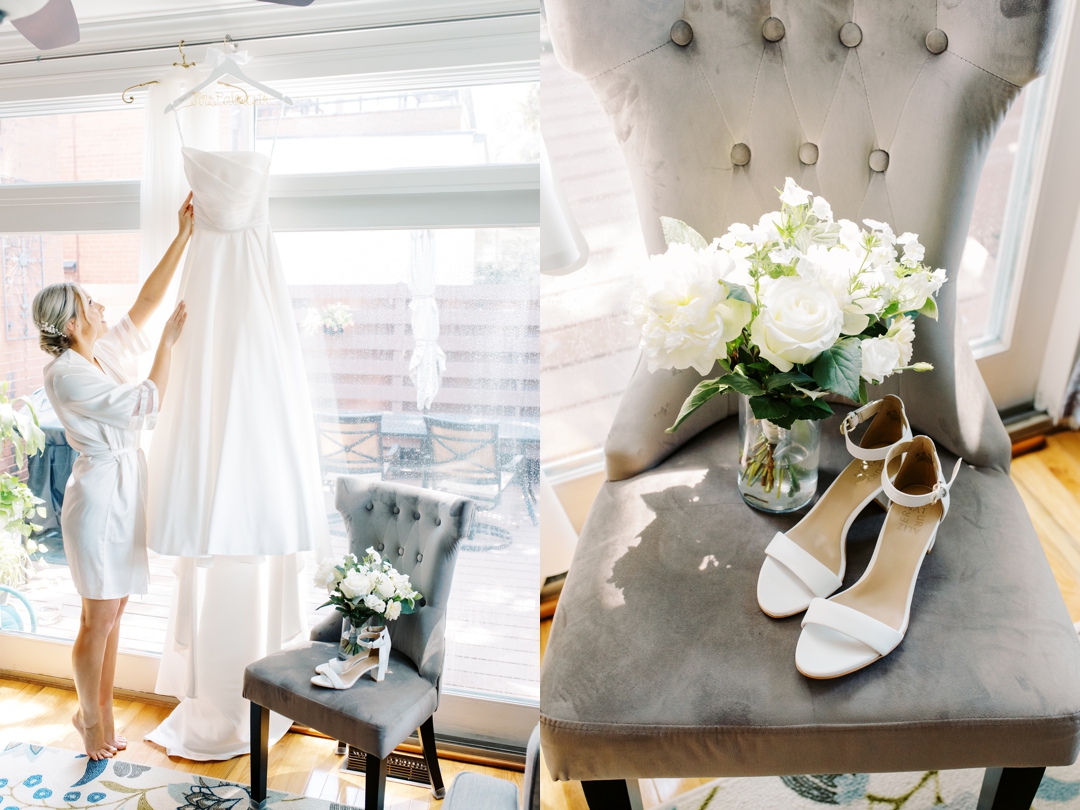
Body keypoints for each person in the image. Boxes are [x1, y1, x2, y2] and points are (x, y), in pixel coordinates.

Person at [31, 193, 193, 760]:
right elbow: (146, 401)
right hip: (99, 498)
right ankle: (90, 720)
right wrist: (169, 346)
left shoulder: (100, 354)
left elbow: (147, 301)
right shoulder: (68, 375)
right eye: (92, 305)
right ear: (73, 324)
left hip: (123, 488)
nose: (102, 309)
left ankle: (96, 712)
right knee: (96, 618)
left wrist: (183, 235)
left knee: (114, 609)